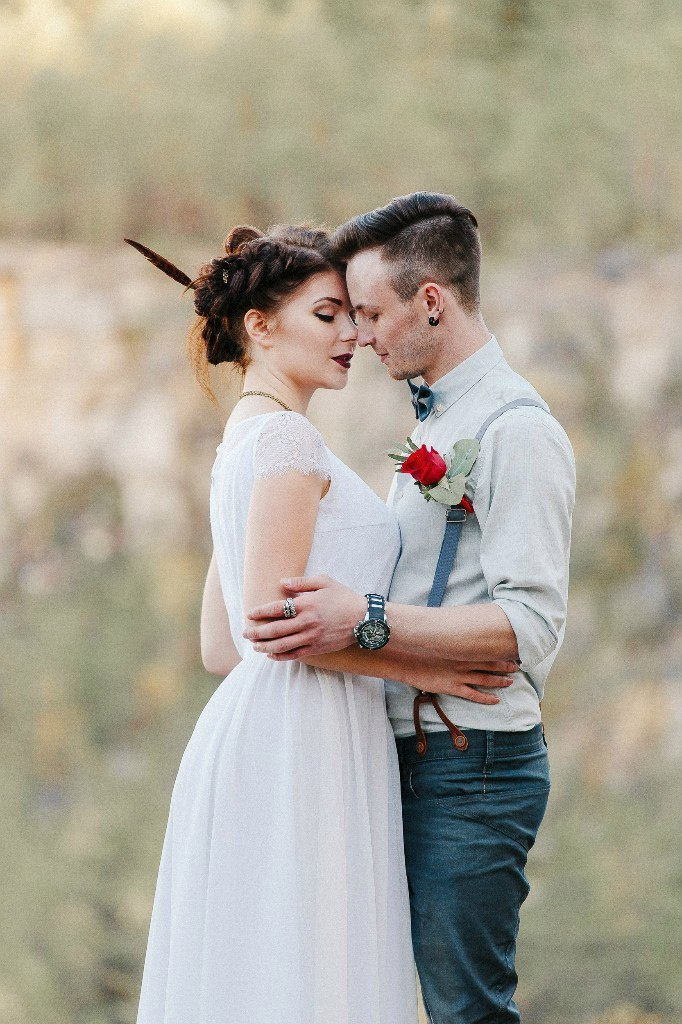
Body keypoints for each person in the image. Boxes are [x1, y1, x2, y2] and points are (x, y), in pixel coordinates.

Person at [128, 222, 517, 1024]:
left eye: (352, 315)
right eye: (327, 314)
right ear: (260, 327)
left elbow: (219, 644)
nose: (351, 335)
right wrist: (422, 665)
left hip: (273, 728)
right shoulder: (288, 441)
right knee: (308, 973)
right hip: (303, 736)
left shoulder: (242, 444)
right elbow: (273, 629)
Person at [244, 194, 577, 1024]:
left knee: (466, 1011)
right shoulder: (441, 417)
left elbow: (531, 628)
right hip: (405, 759)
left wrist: (365, 620)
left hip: (473, 768)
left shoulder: (516, 430)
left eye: (370, 312)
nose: (359, 334)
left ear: (431, 300)